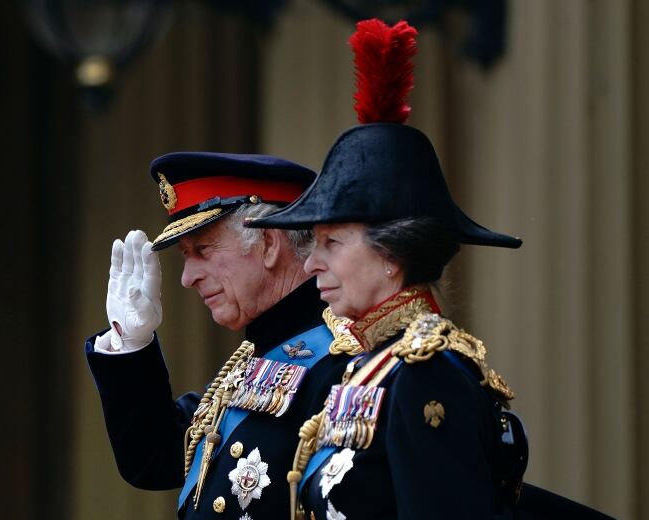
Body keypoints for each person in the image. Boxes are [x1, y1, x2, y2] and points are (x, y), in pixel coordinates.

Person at [246, 18, 613, 520]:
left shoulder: (425, 374)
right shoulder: (368, 367)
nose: (312, 262)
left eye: (332, 242)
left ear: (393, 255)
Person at [85, 152, 360, 519]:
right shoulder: (256, 359)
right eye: (185, 255)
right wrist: (130, 344)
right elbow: (156, 459)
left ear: (269, 243)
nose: (187, 277)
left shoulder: (343, 362)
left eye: (203, 249)